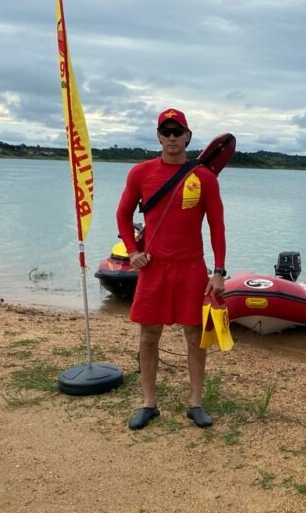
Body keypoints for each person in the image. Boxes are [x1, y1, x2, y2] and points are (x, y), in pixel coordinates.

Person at [115, 108, 226, 430]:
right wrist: (132, 251)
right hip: (154, 268)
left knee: (195, 336)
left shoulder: (204, 177)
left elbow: (217, 226)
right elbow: (122, 215)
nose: (172, 137)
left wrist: (218, 270)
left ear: (188, 136)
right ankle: (149, 403)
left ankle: (195, 403)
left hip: (192, 267)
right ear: (159, 136)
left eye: (178, 132)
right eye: (167, 132)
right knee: (149, 335)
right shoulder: (141, 172)